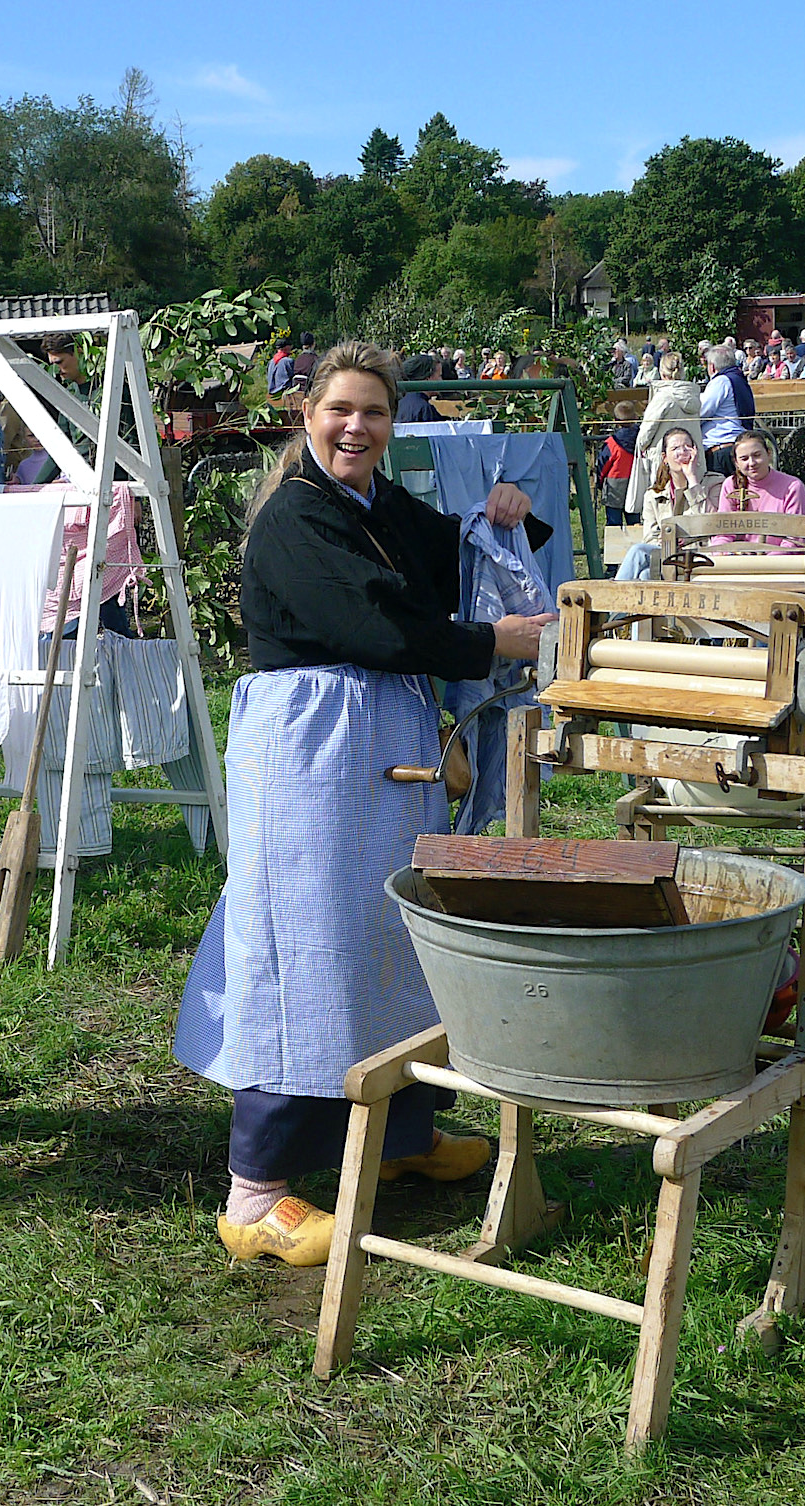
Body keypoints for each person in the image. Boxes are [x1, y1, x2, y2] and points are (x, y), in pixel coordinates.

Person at [173, 341, 553, 1266]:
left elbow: (452, 552)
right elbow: (376, 625)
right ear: (306, 415)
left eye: (374, 412)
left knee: (393, 935)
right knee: (300, 943)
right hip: (309, 745)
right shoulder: (293, 517)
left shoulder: (379, 505)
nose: (357, 427)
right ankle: (255, 1195)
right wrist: (489, 645)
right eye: (340, 410)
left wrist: (510, 513)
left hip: (381, 738)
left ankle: (400, 1135)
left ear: (392, 423)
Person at [616, 425, 715, 579]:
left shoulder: (713, 484)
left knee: (639, 555)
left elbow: (711, 522)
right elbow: (649, 537)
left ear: (696, 452)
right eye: (675, 448)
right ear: (665, 457)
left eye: (687, 447)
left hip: (700, 556)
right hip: (666, 556)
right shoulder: (653, 495)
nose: (682, 452)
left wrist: (692, 480)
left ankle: (613, 592)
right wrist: (667, 542)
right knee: (646, 574)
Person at [625, 352, 702, 508]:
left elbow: (644, 435)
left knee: (663, 504)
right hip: (690, 457)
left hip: (664, 460)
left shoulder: (662, 398)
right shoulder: (693, 396)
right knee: (690, 502)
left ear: (661, 372)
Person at [714, 430, 805, 544]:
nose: (752, 463)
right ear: (736, 463)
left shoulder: (792, 486)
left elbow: (794, 538)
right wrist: (724, 551)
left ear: (768, 454)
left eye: (757, 455)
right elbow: (723, 533)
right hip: (738, 554)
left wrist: (769, 555)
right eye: (744, 458)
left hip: (780, 554)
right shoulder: (730, 485)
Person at [699, 346, 748, 475]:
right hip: (736, 443)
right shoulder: (738, 378)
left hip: (721, 447)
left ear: (712, 366)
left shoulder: (720, 381)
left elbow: (702, 411)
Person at [596, 400, 640, 526]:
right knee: (635, 523)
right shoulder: (642, 440)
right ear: (636, 417)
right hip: (635, 483)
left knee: (614, 524)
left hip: (614, 486)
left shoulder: (612, 443)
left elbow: (603, 466)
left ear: (615, 420)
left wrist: (599, 482)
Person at [396, 353, 441, 423]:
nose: (441, 380)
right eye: (439, 375)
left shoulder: (399, 404)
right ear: (428, 378)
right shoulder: (425, 409)